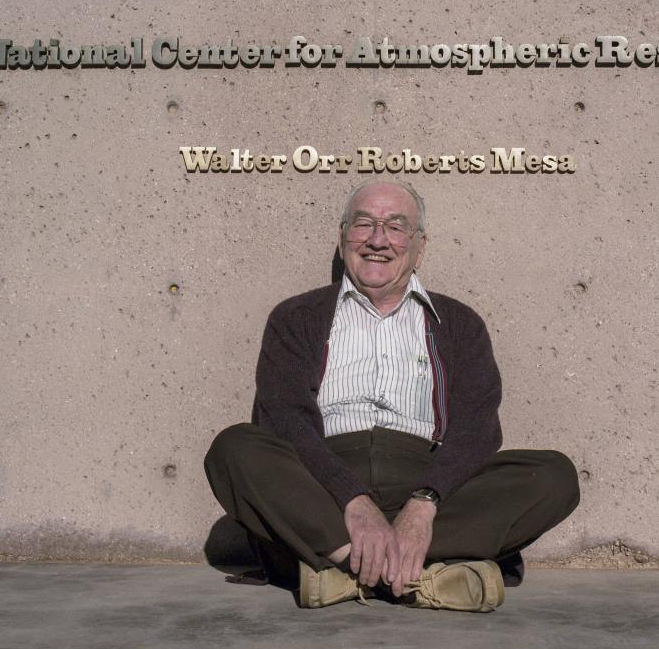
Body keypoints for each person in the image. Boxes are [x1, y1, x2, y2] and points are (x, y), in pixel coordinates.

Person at [204, 180, 580, 612]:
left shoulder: (459, 323)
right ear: (343, 237)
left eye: (396, 227)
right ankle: (418, 579)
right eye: (363, 224)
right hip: (321, 488)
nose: (377, 240)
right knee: (234, 448)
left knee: (554, 475)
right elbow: (285, 418)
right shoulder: (297, 317)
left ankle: (340, 571)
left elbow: (477, 428)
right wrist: (353, 501)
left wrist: (423, 505)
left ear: (419, 246)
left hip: (428, 484)